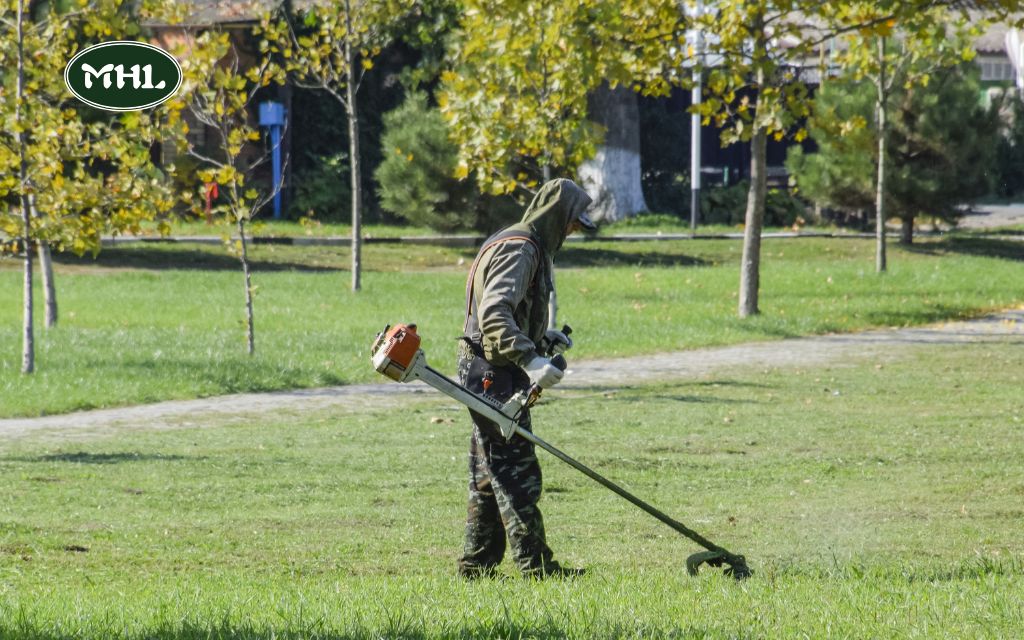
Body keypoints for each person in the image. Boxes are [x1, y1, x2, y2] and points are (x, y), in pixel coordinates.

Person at [456, 178, 596, 579]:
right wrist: (531, 358)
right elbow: (495, 314)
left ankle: (475, 566)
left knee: (490, 473)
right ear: (557, 216)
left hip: (487, 368)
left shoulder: (518, 241)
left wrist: (539, 337)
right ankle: (537, 568)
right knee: (518, 473)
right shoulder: (522, 249)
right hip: (493, 374)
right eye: (572, 223)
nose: (573, 231)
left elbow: (507, 313)